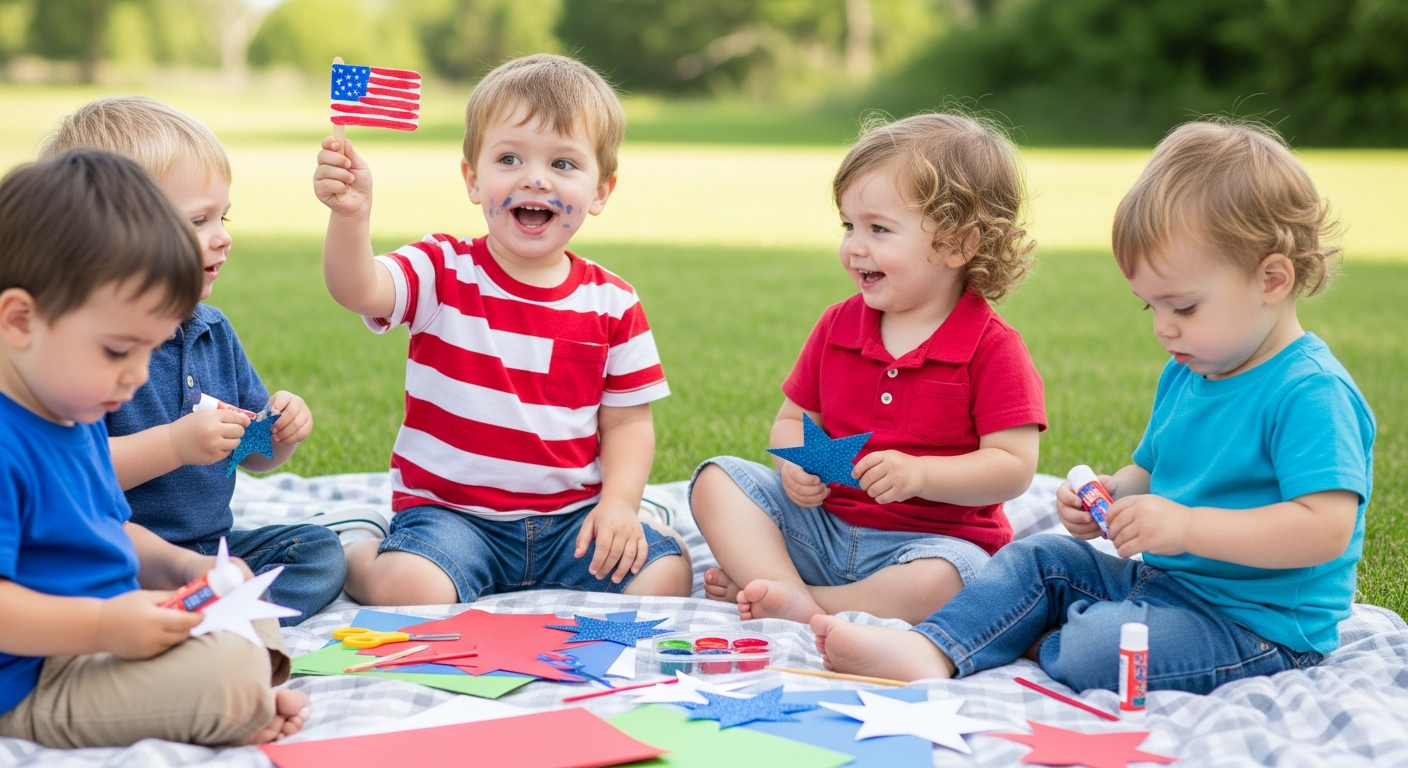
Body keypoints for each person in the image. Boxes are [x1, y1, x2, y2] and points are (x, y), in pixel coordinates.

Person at [812, 120, 1373, 694]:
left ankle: (1030, 635)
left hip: (1253, 626)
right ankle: (931, 649)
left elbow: (1325, 529)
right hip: (1163, 581)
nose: (1163, 329)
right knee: (1036, 560)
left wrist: (1187, 528)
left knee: (1100, 650)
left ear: (1272, 279)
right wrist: (1113, 494)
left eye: (1183, 306)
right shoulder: (1192, 369)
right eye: (1149, 307)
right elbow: (1152, 471)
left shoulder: (1309, 392)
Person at [313, 53, 692, 605]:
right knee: (411, 590)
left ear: (602, 190)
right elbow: (358, 289)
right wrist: (350, 216)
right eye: (510, 158)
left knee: (666, 578)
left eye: (564, 164)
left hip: (571, 522)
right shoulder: (443, 269)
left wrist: (619, 504)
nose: (535, 179)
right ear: (473, 178)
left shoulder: (613, 301)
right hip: (454, 518)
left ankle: (633, 520)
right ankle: (358, 546)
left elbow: (629, 422)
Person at [0, 150, 307, 748]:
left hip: (106, 631)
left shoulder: (71, 409)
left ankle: (243, 697)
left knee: (241, 590)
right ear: (19, 320)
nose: (138, 377)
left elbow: (110, 532)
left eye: (150, 350)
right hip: (33, 678)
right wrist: (104, 624)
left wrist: (186, 568)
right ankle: (241, 699)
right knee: (227, 674)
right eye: (118, 351)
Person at [689, 113, 1046, 625]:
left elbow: (1013, 467)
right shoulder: (838, 326)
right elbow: (793, 420)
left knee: (959, 576)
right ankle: (787, 586)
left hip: (927, 546)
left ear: (957, 245)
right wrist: (795, 465)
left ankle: (796, 599)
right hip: (824, 527)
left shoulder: (991, 348)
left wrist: (922, 473)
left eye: (879, 229)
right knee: (717, 478)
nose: (854, 246)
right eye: (848, 226)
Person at [41, 97, 345, 624]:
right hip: (114, 546)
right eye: (199, 220)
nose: (223, 237)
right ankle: (190, 613)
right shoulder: (87, 352)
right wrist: (177, 444)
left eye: (222, 217)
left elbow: (249, 455)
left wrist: (277, 435)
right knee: (81, 580)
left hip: (211, 544)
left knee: (318, 552)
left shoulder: (212, 331)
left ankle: (215, 610)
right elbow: (76, 473)